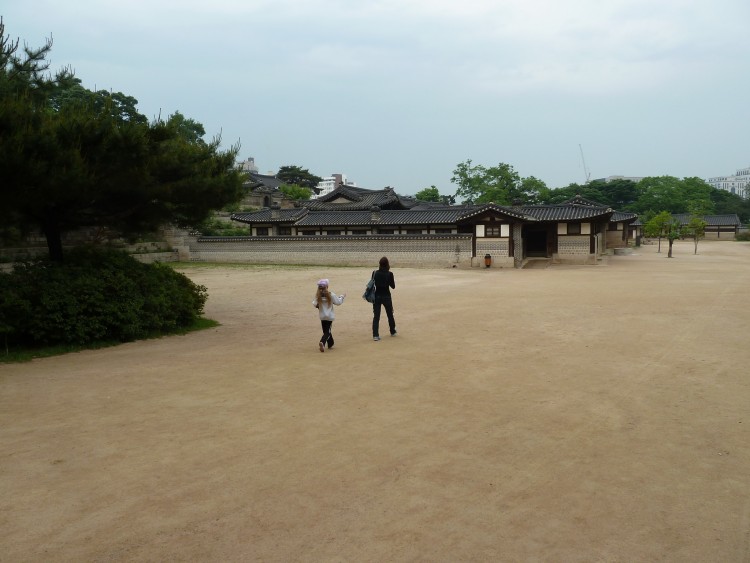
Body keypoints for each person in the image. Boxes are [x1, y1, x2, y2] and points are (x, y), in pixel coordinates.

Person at [312, 278, 345, 353]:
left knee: (326, 331)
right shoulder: (331, 295)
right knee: (327, 332)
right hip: (329, 316)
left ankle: (330, 343)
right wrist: (342, 297)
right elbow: (338, 302)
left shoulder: (318, 296)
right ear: (327, 286)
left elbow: (314, 303)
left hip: (322, 316)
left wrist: (318, 306)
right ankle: (322, 342)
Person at [372, 256, 396, 341]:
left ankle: (375, 335)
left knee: (376, 316)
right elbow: (393, 286)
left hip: (377, 296)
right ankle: (392, 331)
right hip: (386, 296)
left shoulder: (374, 273)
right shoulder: (389, 274)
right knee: (390, 314)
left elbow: (372, 283)